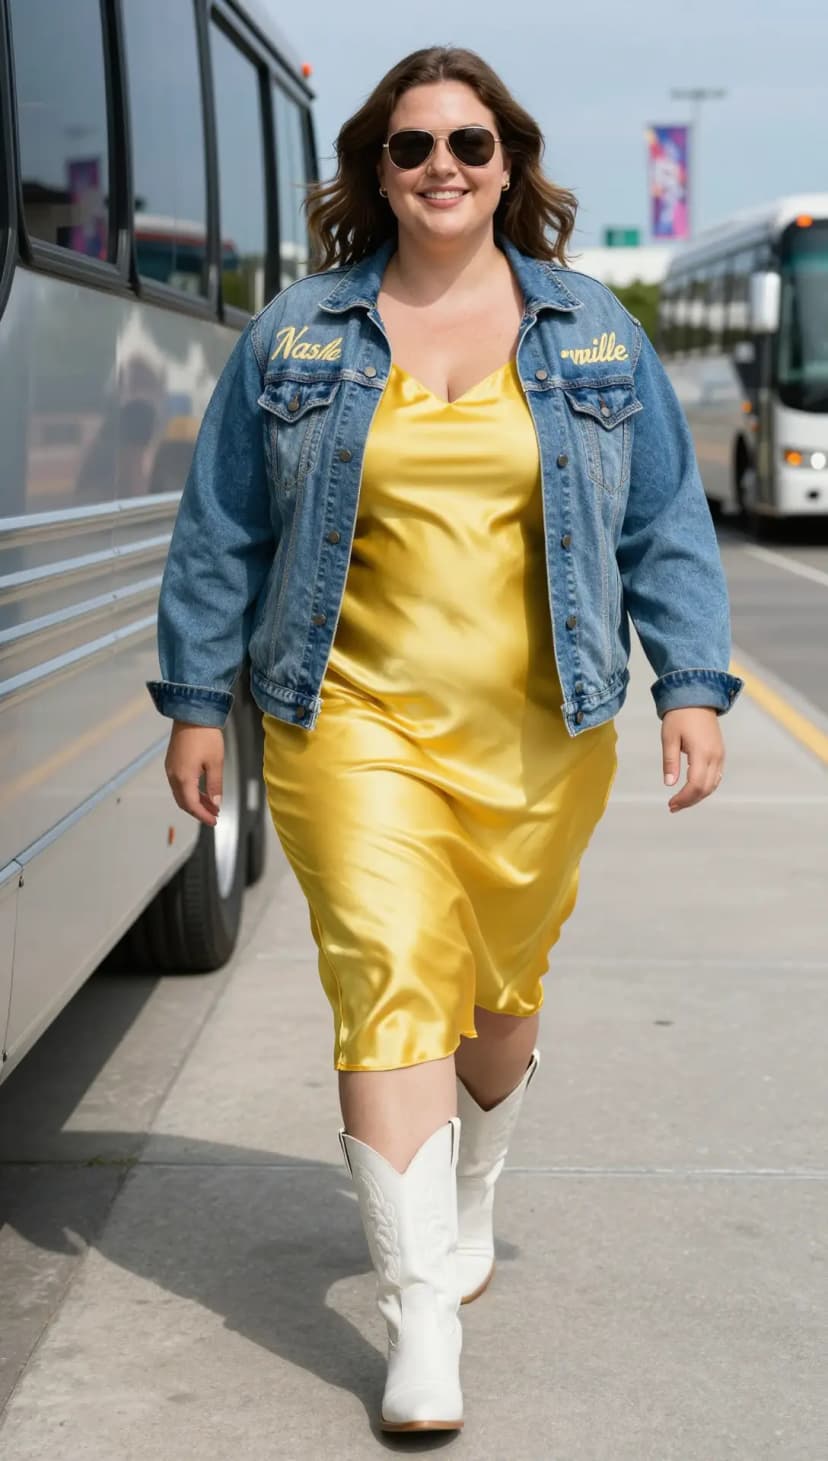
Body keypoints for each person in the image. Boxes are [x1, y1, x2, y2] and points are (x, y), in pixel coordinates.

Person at [147, 46, 743, 1436]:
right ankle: (418, 1313)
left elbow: (662, 519)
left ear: (510, 163)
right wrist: (192, 700)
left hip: (544, 726)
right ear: (376, 169)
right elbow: (221, 528)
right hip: (344, 721)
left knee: (498, 985)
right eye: (412, 149)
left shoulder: (593, 331)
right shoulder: (299, 335)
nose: (442, 172)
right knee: (388, 971)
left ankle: (472, 1185)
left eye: (469, 146)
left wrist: (694, 685)